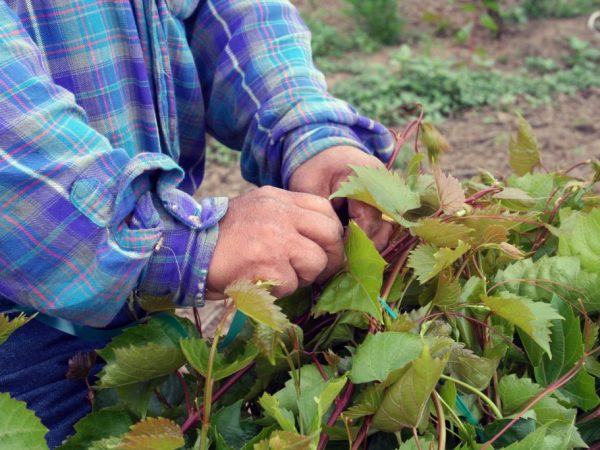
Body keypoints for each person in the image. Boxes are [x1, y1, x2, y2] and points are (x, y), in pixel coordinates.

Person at [0, 0, 393, 446]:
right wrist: (182, 240)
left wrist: (308, 134)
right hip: (17, 328)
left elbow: (223, 10)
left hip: (134, 295)